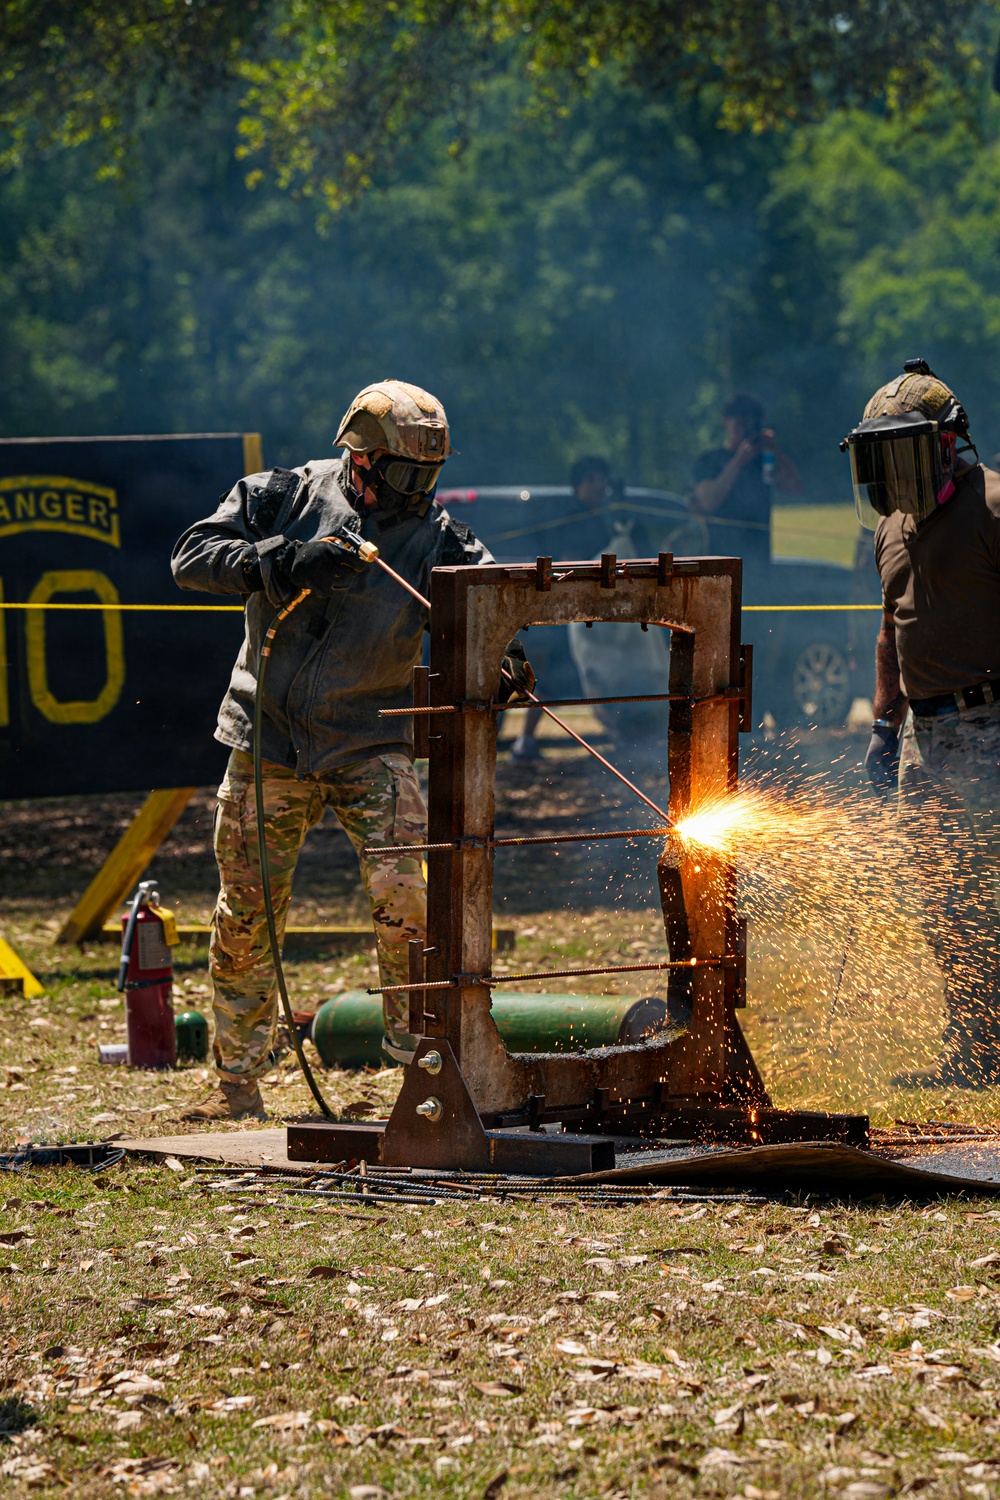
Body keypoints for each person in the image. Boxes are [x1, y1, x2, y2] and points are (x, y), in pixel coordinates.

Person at [171, 380, 532, 1119]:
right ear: (360, 458)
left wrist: (506, 665)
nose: (417, 492)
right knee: (248, 913)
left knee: (410, 904)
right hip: (269, 740)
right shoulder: (281, 495)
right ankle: (236, 1084)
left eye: (429, 477)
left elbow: (494, 615)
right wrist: (283, 561)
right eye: (404, 475)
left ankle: (421, 1077)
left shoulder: (443, 540)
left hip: (371, 742)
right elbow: (191, 557)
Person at [846, 359, 1000, 1087]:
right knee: (945, 896)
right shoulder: (889, 530)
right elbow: (892, 632)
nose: (891, 474)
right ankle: (973, 1044)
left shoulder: (993, 507)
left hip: (991, 723)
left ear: (944, 446)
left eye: (902, 453)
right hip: (925, 739)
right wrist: (884, 729)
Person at [510, 455, 624, 762]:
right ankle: (524, 741)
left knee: (598, 675)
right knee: (556, 678)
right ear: (580, 485)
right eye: (594, 480)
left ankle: (618, 736)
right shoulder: (572, 518)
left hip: (597, 613)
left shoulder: (602, 518)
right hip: (573, 614)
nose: (601, 487)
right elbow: (568, 560)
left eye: (603, 480)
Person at [691, 393, 801, 564]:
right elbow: (708, 502)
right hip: (719, 558)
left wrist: (774, 451)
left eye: (749, 424)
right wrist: (738, 461)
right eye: (739, 424)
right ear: (726, 422)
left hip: (759, 558)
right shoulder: (708, 460)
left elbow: (795, 487)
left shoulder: (764, 461)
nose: (743, 430)